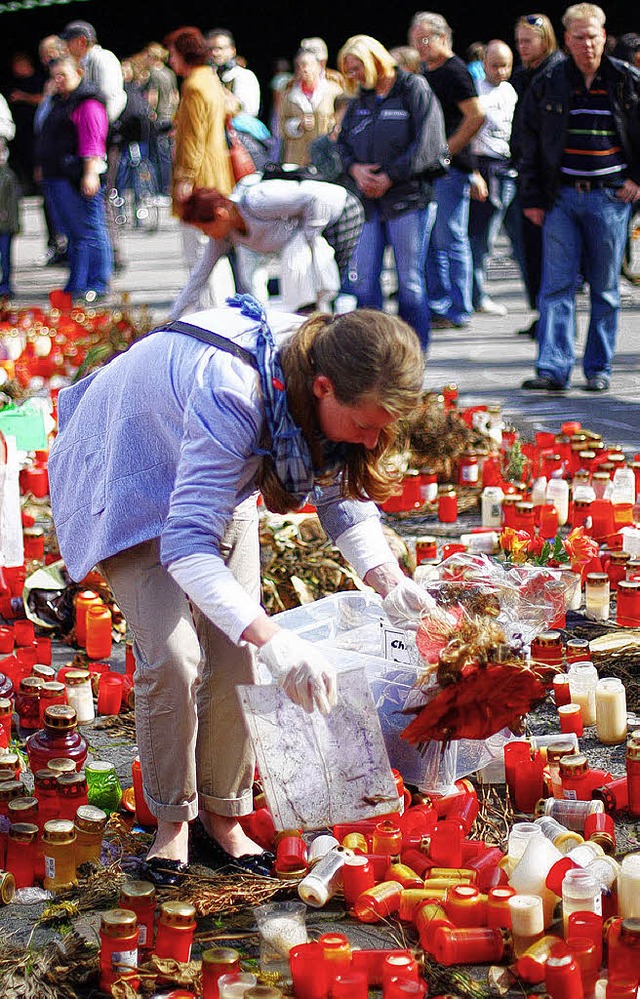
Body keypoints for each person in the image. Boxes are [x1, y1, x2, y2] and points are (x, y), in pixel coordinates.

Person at [48, 295, 431, 880]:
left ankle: (224, 813)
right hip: (130, 473)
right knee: (174, 657)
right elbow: (184, 546)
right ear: (324, 388)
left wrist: (388, 579)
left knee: (241, 655)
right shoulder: (239, 394)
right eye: (366, 425)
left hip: (212, 474)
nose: (375, 442)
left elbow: (340, 494)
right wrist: (278, 638)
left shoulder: (325, 370)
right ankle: (173, 821)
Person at [520, 3, 640, 394]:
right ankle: (552, 369)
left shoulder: (626, 80)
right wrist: (533, 197)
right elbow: (528, 143)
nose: (587, 44)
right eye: (578, 37)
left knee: (605, 289)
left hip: (609, 198)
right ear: (566, 39)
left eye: (593, 36)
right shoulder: (548, 82)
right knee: (556, 287)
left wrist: (637, 180)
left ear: (604, 36)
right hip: (561, 199)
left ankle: (598, 369)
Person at [337, 34, 447, 352]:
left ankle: (413, 357)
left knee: (410, 284)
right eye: (349, 70)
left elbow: (429, 143)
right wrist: (355, 169)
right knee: (365, 282)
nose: (353, 76)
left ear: (374, 60)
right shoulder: (361, 100)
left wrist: (390, 176)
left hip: (408, 200)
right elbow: (341, 144)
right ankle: (376, 359)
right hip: (369, 203)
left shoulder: (413, 88)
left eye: (357, 67)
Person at [168, 174, 364, 317]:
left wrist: (308, 240)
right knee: (311, 300)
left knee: (334, 289)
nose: (206, 235)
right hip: (314, 234)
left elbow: (314, 199)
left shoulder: (256, 201)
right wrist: (173, 317)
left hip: (339, 212)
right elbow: (200, 275)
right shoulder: (224, 237)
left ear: (221, 214)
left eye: (205, 228)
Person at [410, 12, 485, 329]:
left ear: (443, 37)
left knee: (451, 238)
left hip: (450, 170)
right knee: (430, 241)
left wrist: (445, 151)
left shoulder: (455, 71)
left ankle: (459, 307)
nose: (420, 46)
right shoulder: (425, 70)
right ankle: (438, 304)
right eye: (416, 40)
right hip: (428, 171)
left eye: (425, 39)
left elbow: (476, 116)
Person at [166, 26, 235, 312]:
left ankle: (212, 315)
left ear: (184, 55)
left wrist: (185, 178)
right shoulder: (210, 78)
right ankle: (226, 311)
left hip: (200, 179)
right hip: (217, 174)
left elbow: (193, 137)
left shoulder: (194, 85)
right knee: (215, 250)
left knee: (200, 254)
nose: (170, 61)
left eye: (172, 54)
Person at [36, 55, 111, 302]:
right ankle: (77, 282)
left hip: (76, 176)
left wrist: (90, 173)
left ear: (79, 72)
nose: (58, 80)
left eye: (63, 75)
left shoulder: (87, 103)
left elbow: (93, 141)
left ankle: (97, 282)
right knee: (74, 233)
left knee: (89, 230)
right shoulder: (60, 101)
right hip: (57, 175)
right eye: (54, 76)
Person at [510, 14, 564, 339]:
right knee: (529, 251)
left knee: (549, 254)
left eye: (528, 40)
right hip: (526, 174)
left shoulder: (556, 73)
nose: (522, 47)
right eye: (519, 41)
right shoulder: (523, 76)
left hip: (548, 180)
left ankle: (552, 317)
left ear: (546, 40)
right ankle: (542, 312)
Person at [468, 40, 523, 316]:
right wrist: (473, 172)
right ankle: (477, 294)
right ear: (484, 64)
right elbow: (467, 133)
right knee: (483, 237)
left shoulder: (510, 91)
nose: (501, 71)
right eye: (495, 65)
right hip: (487, 167)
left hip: (510, 167)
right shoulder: (477, 93)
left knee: (519, 235)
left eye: (506, 66)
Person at [279, 49, 343, 166]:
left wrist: (329, 126)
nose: (303, 69)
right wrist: (298, 124)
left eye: (307, 65)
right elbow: (281, 124)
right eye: (298, 66)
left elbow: (343, 120)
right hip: (296, 157)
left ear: (319, 66)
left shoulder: (334, 90)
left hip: (325, 156)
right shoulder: (289, 94)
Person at [143, 42, 178, 196]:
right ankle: (169, 187)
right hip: (170, 116)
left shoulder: (154, 74)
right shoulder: (170, 73)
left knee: (158, 155)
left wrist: (150, 112)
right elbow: (175, 96)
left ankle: (162, 190)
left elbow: (153, 95)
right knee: (168, 156)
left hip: (158, 119)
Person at [207, 29, 261, 118]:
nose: (215, 53)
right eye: (211, 49)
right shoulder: (205, 77)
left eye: (220, 48)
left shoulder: (244, 76)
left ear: (233, 50)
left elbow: (249, 113)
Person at [0, 130, 19, 297]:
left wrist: (14, 223)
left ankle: (6, 284)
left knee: (5, 257)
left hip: (5, 225)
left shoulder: (8, 176)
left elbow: (13, 203)